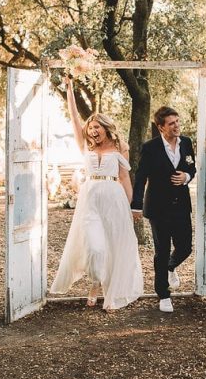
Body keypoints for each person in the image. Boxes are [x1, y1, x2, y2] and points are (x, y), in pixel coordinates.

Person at [50, 76, 143, 310]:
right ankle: (95, 282)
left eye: (96, 127)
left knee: (113, 243)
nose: (93, 131)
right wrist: (69, 90)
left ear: (105, 127)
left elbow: (124, 177)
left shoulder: (120, 147)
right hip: (90, 199)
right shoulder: (86, 147)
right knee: (95, 246)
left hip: (114, 198)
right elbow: (74, 117)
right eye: (90, 128)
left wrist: (133, 205)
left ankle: (107, 286)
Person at [131, 105, 198, 313]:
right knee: (161, 251)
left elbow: (191, 167)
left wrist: (186, 177)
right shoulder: (150, 148)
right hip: (158, 208)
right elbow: (141, 177)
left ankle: (170, 267)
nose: (177, 126)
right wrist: (136, 205)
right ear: (161, 127)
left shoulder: (186, 143)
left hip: (181, 206)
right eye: (171, 123)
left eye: (177, 122)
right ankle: (163, 294)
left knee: (185, 247)